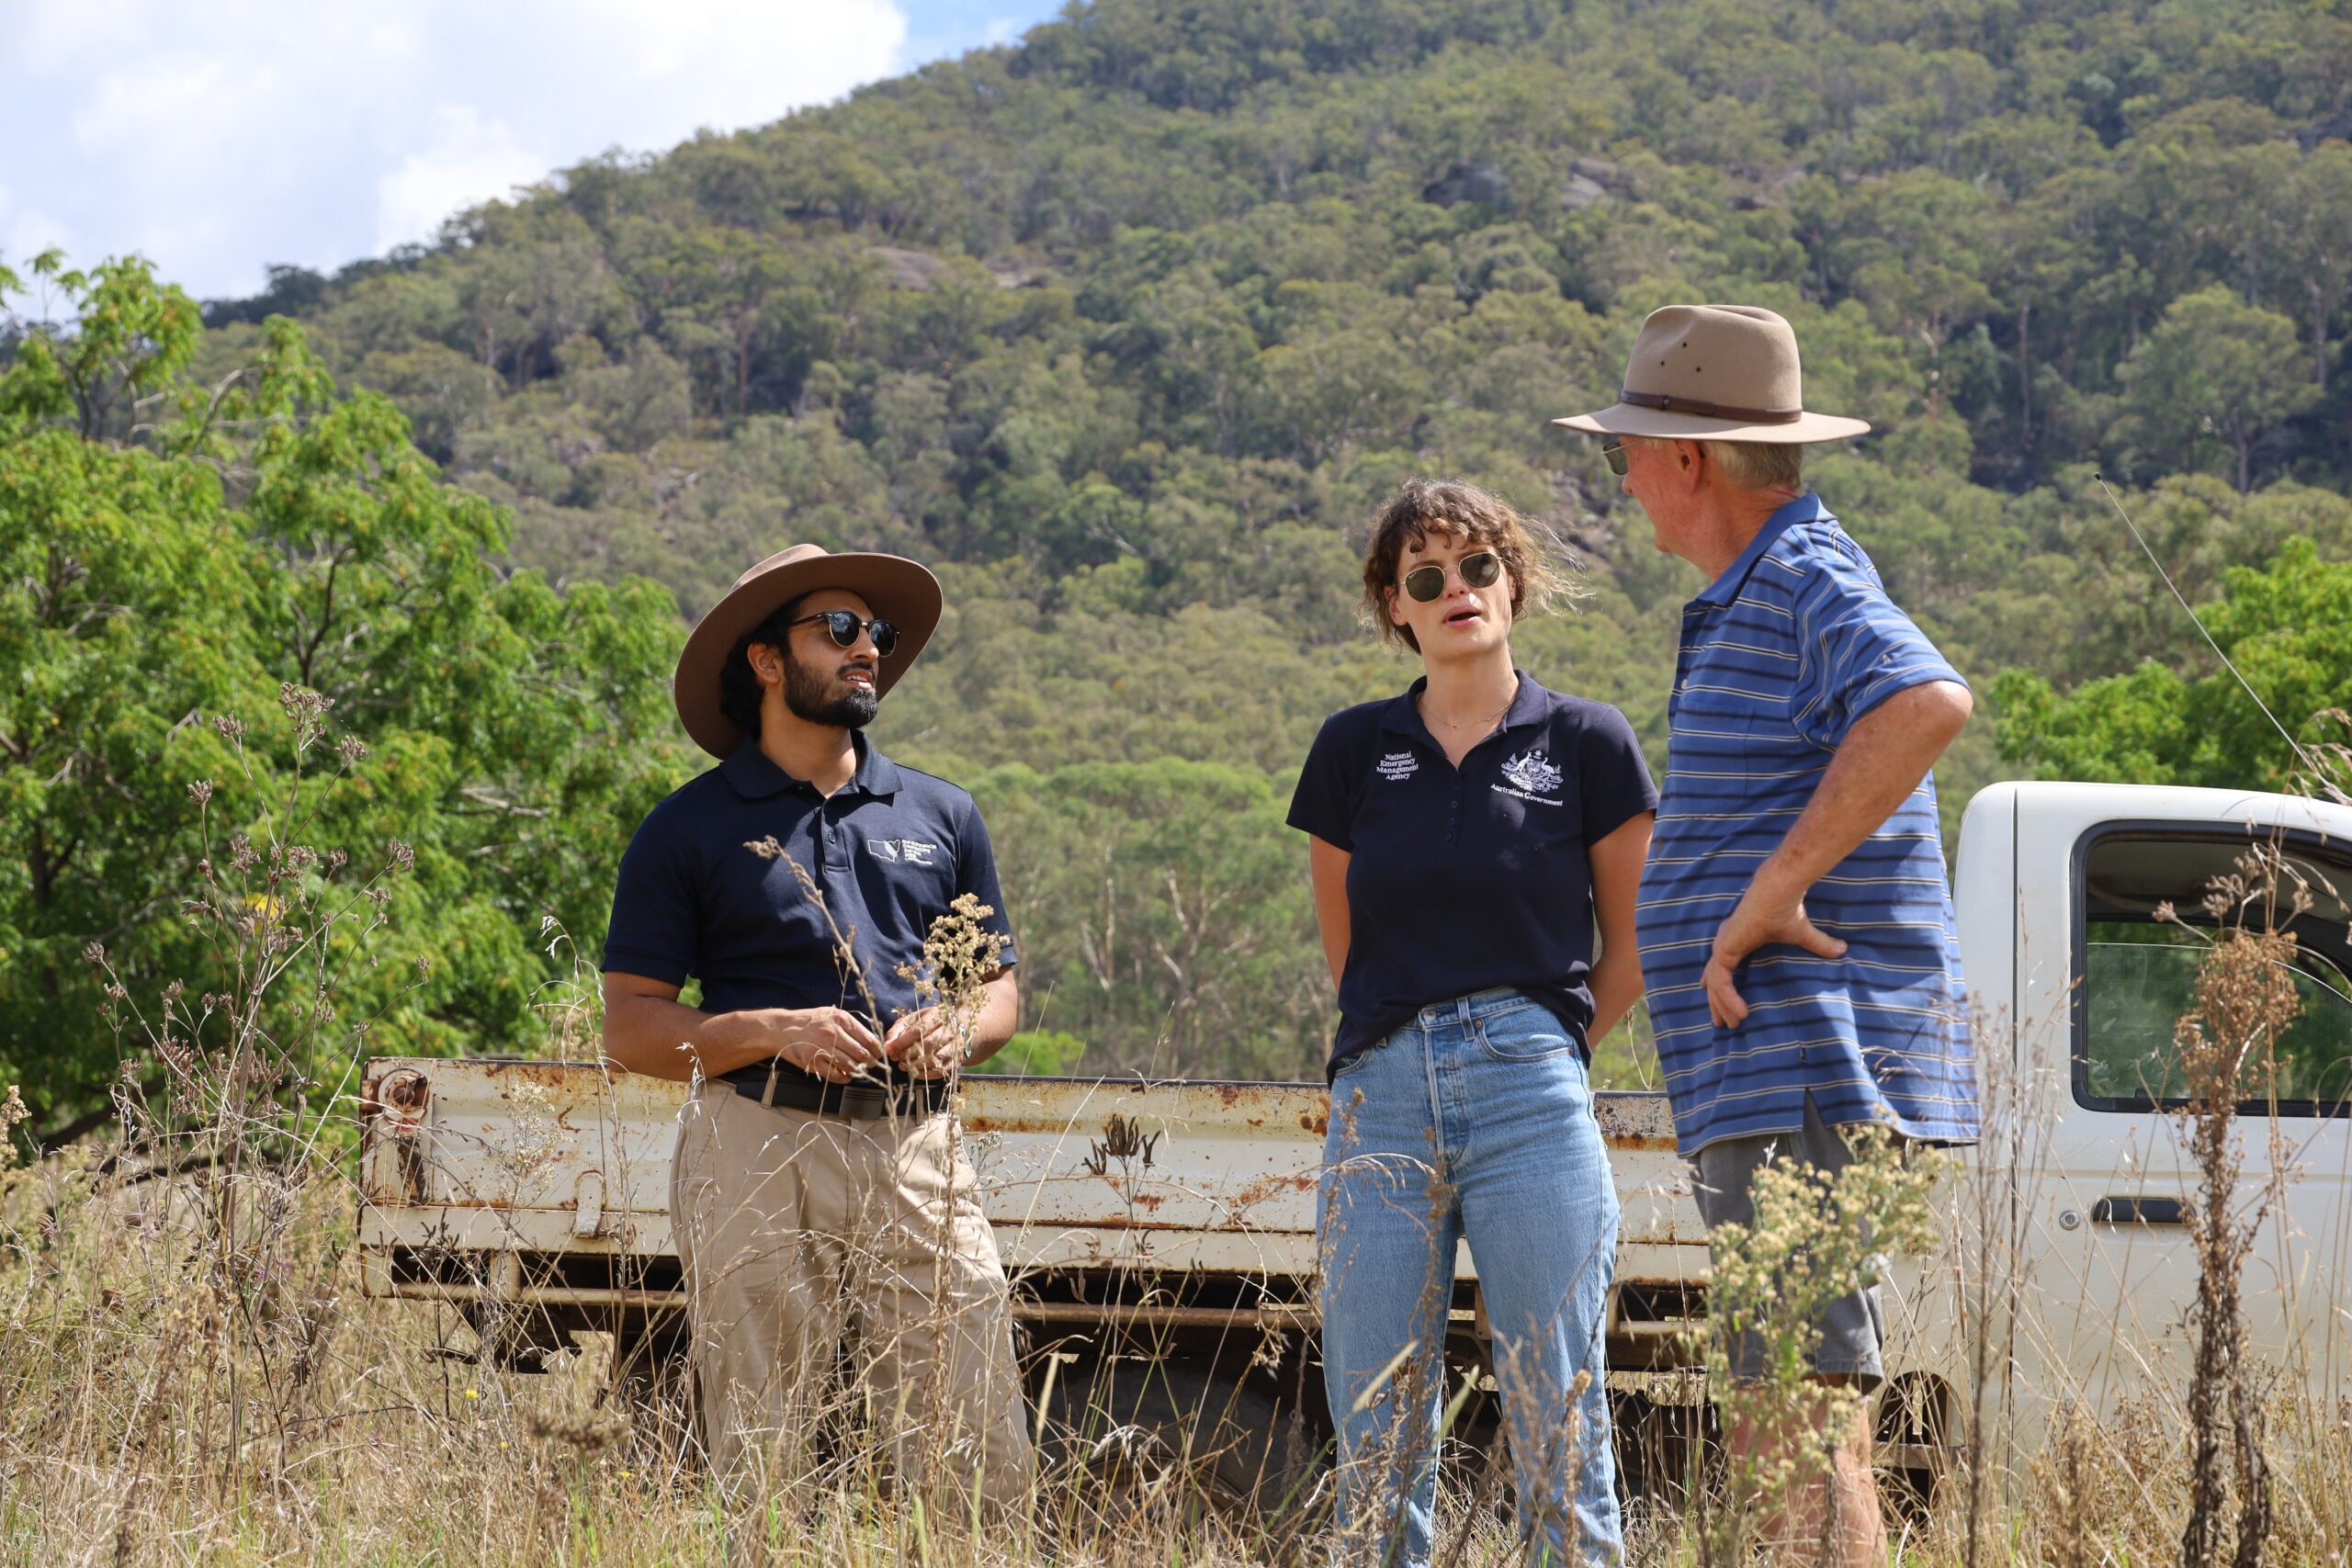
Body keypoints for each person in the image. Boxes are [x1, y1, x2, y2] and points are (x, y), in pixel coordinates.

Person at [1556, 305, 1980, 1564]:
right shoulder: (1767, 580)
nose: (1623, 477)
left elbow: (1925, 699)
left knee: (1799, 1411)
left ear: (1689, 460)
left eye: (1628, 451)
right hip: (1777, 1067)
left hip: (1808, 1058)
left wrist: (1768, 890)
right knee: (1782, 1404)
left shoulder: (1804, 572)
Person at [598, 544, 1032, 1515]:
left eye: (873, 632)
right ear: (763, 660)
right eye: (838, 630)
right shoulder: (687, 828)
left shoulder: (941, 812)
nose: (866, 648)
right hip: (752, 1139)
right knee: (762, 1436)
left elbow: (999, 992)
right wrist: (766, 1028)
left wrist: (959, 1028)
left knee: (971, 1427)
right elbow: (629, 1029)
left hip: (918, 1142)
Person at [1287, 479, 1657, 1568]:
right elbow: (1347, 951)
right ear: (1393, 605)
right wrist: (1415, 1047)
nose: (1457, 590)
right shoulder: (1353, 750)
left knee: (1558, 1420)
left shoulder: (1587, 741)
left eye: (1479, 566)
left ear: (1514, 582)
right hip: (1380, 1096)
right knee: (1378, 1433)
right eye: (1426, 578)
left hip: (1532, 1097)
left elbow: (1627, 951)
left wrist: (1535, 1048)